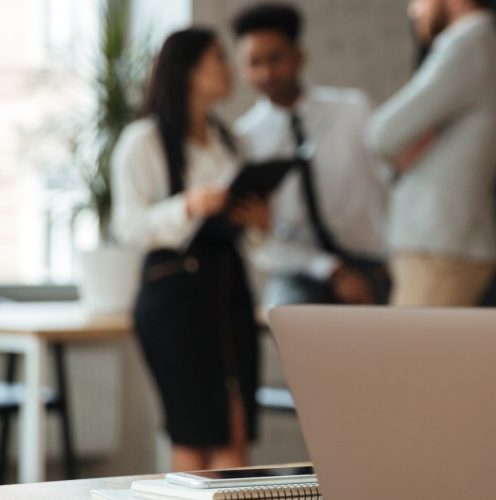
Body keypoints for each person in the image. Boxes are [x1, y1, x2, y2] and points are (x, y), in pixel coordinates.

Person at [112, 28, 265, 471]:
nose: (229, 68)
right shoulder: (143, 141)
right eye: (217, 57)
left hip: (228, 290)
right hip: (174, 298)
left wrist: (256, 223)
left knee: (235, 428)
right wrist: (188, 206)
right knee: (194, 432)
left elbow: (253, 239)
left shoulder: (232, 141)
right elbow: (128, 226)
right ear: (188, 69)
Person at [233, 3, 389, 307]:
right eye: (254, 63)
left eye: (275, 59)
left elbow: (394, 180)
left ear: (299, 55)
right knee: (288, 318)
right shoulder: (243, 141)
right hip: (299, 270)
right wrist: (333, 271)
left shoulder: (353, 110)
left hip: (371, 262)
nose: (266, 73)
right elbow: (261, 243)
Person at [366, 0, 496, 306]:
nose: (413, 11)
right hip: (442, 243)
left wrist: (405, 146)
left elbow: (380, 135)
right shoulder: (482, 46)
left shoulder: (469, 46)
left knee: (408, 353)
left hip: (440, 245)